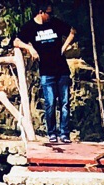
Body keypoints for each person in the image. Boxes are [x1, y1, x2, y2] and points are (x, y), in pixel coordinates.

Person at [15, 8, 78, 144]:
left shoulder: (55, 23)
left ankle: (64, 133)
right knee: (50, 103)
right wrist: (29, 48)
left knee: (65, 103)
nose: (51, 16)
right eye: (48, 13)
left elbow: (72, 31)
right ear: (41, 12)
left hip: (62, 70)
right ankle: (52, 133)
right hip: (46, 71)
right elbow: (16, 41)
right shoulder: (30, 27)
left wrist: (64, 47)